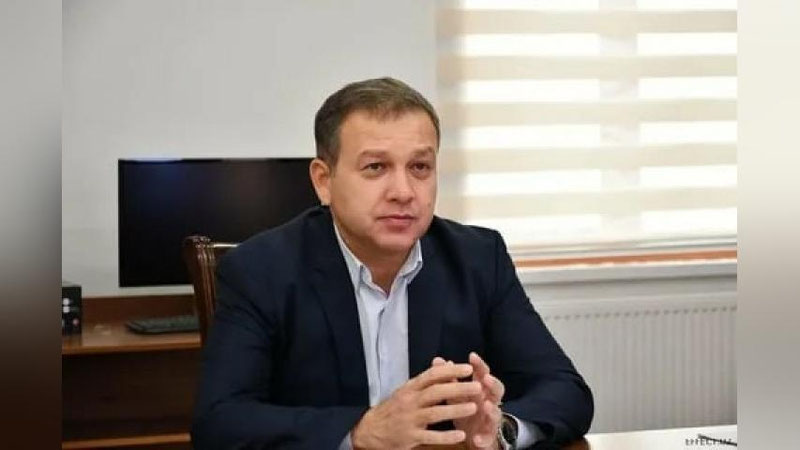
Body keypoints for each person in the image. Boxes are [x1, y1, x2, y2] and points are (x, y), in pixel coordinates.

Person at [191, 77, 593, 449]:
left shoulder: (477, 258)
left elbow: (565, 391)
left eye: (420, 167)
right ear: (323, 181)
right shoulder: (261, 270)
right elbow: (220, 421)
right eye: (376, 167)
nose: (403, 191)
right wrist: (361, 432)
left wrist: (499, 427)